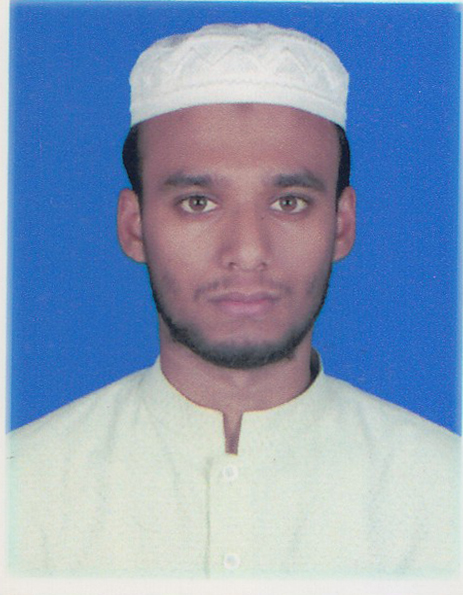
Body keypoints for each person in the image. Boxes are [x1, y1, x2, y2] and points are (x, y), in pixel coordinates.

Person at [8, 23, 459, 578]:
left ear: (342, 225)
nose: (247, 252)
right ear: (134, 226)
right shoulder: (22, 491)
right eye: (198, 202)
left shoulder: (445, 494)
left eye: (289, 202)